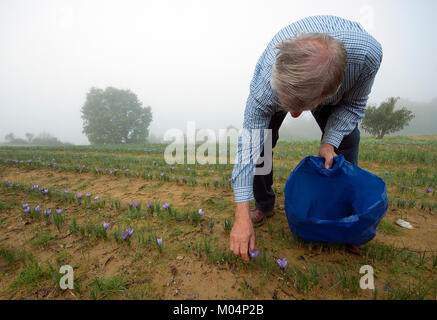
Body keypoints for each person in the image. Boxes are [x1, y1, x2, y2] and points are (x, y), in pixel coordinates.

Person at [229, 15, 383, 262]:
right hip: (282, 87)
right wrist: (241, 214)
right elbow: (249, 144)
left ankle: (345, 218)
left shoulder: (367, 57)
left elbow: (353, 105)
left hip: (331, 77)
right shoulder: (264, 87)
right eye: (287, 106)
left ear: (328, 94)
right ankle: (264, 204)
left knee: (347, 142)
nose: (293, 115)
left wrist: (329, 142)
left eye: (300, 107)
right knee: (262, 145)